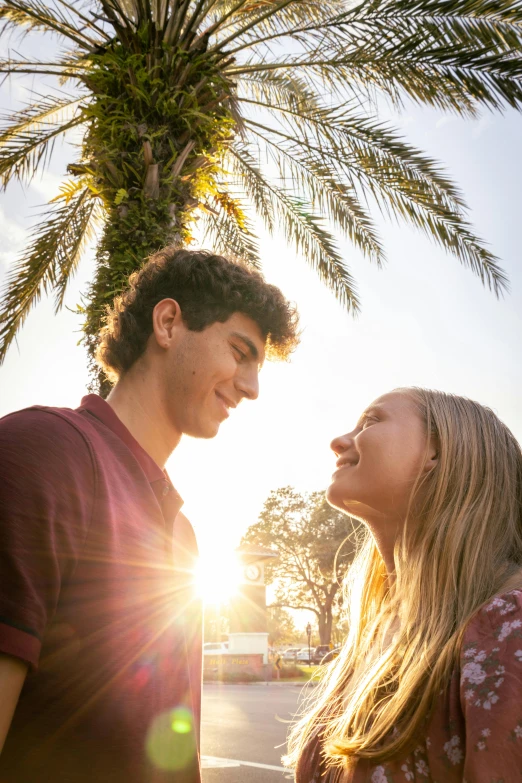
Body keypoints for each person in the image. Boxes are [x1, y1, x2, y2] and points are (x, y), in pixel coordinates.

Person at [0, 247, 298, 783]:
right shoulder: (43, 453)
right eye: (239, 352)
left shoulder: (183, 535)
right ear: (168, 323)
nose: (252, 388)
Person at [286, 387, 522, 782]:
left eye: (372, 421)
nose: (338, 441)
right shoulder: (379, 635)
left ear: (436, 453)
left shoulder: (508, 629)